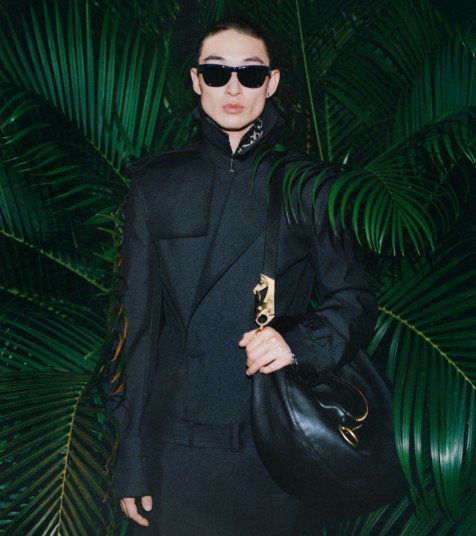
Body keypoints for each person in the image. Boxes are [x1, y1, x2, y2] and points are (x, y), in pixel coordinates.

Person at [111, 17, 378, 535]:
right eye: (217, 73)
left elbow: (355, 300)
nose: (233, 88)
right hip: (177, 458)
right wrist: (131, 457)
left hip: (278, 451)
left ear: (271, 83)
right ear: (197, 80)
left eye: (250, 74)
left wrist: (298, 341)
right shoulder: (155, 184)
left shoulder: (310, 186)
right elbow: (135, 334)